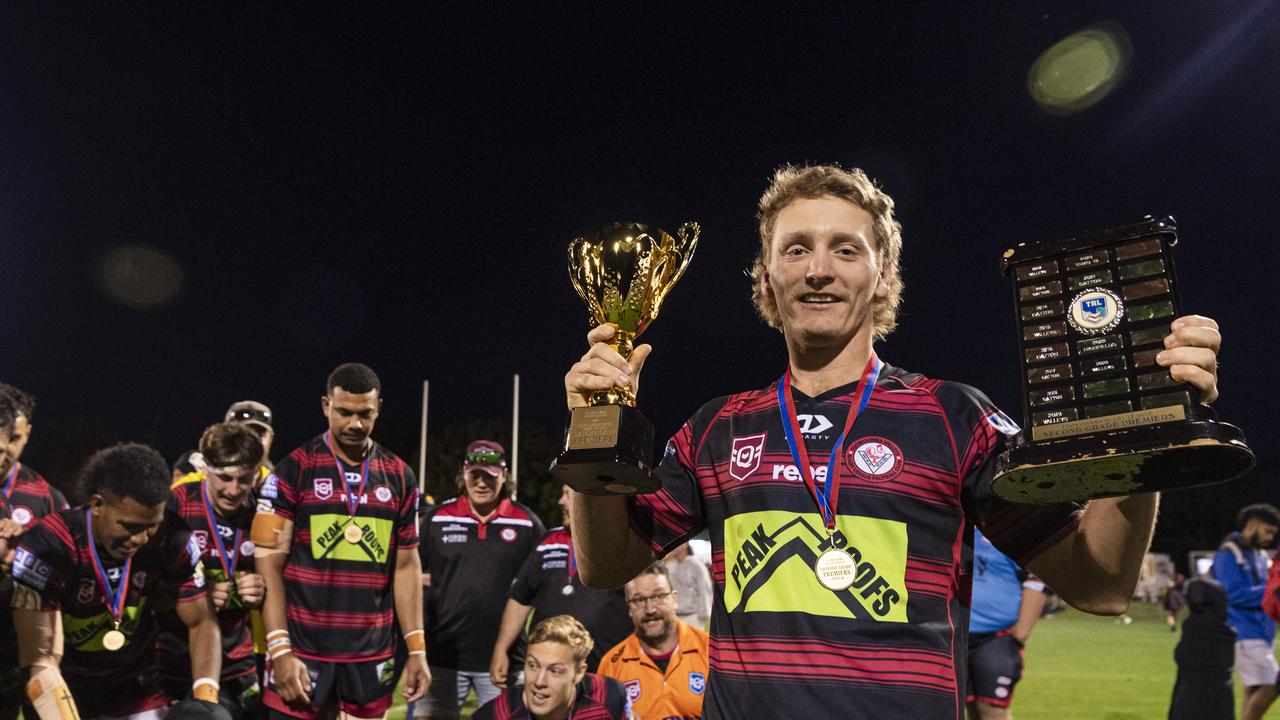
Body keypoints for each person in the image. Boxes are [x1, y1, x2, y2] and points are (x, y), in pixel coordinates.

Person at [564, 163, 1226, 718]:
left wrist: (1144, 428)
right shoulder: (717, 427)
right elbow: (606, 563)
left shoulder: (953, 417)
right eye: (796, 248)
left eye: (846, 249)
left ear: (882, 275)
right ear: (766, 277)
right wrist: (595, 435)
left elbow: (1102, 583)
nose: (819, 269)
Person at [252, 362, 428, 719]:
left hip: (372, 655)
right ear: (325, 406)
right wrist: (280, 650)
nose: (355, 424)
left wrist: (417, 650)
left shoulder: (400, 476)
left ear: (378, 408)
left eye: (365, 413)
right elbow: (268, 565)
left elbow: (407, 567)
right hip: (303, 652)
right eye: (344, 412)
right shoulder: (292, 471)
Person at [10, 443, 221, 719]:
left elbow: (201, 621)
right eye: (130, 526)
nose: (140, 540)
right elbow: (40, 661)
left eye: (151, 526)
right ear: (97, 505)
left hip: (135, 687)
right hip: (62, 685)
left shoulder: (172, 536)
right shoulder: (50, 544)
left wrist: (206, 698)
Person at [419, 440, 545, 719]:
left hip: (504, 662)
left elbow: (539, 587)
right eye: (474, 474)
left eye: (489, 475)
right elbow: (411, 574)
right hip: (442, 658)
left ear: (504, 475)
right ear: (463, 475)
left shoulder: (527, 524)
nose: (481, 482)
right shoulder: (437, 519)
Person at [160, 423, 268, 718]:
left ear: (256, 474)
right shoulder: (174, 508)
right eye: (224, 477)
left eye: (244, 479)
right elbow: (144, 585)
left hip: (236, 666)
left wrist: (264, 588)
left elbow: (287, 581)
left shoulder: (265, 512)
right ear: (206, 468)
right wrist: (194, 593)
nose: (233, 490)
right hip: (171, 663)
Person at [490, 485, 630, 682]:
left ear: (591, 500)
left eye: (568, 495)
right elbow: (519, 598)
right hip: (550, 673)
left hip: (605, 671)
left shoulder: (621, 542)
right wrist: (501, 649)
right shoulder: (548, 541)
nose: (560, 502)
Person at [0, 385, 71, 720]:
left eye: (14, 438)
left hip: (24, 650)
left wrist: (28, 550)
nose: (3, 448)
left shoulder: (47, 498)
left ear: (27, 433)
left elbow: (71, 572)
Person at [597, 563, 709, 720]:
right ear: (629, 608)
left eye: (658, 596)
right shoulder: (611, 665)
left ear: (674, 599)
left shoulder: (710, 650)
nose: (650, 609)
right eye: (639, 600)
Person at [475, 615, 632, 720]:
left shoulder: (609, 696)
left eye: (554, 671)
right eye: (533, 665)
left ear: (578, 673)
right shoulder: (496, 715)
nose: (539, 681)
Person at [966, 528, 1048, 719]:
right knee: (972, 708)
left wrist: (1020, 633)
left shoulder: (1008, 531)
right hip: (957, 636)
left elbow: (1037, 578)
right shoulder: (960, 527)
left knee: (992, 709)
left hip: (997, 637)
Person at [1211, 502, 1280, 720]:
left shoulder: (1259, 555)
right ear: (1253, 525)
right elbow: (1232, 594)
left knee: (1252, 690)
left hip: (1262, 632)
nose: (1270, 537)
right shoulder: (1228, 552)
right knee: (1271, 684)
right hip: (1243, 631)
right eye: (1268, 531)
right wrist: (1271, 591)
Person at [1168, 577, 1235, 720]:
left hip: (1190, 701)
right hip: (1222, 701)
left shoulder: (1195, 628)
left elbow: (1184, 658)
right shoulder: (1225, 629)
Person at [663, 543, 712, 629]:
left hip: (693, 616)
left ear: (685, 545)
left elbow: (704, 588)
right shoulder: (670, 565)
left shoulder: (695, 564)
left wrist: (704, 614)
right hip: (675, 616)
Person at [225, 401, 276, 470]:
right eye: (244, 434)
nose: (253, 441)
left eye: (260, 435)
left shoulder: (284, 478)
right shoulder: (207, 476)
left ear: (271, 438)